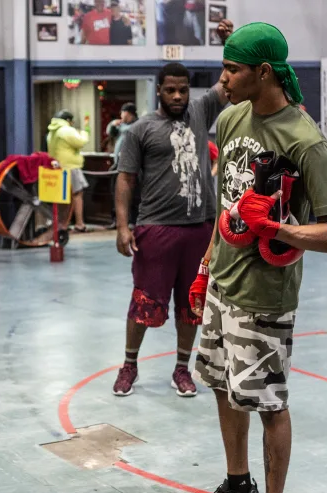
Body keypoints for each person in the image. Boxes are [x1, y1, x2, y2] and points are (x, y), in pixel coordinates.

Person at [175, 22, 327, 493]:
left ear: (263, 73)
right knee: (223, 388)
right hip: (224, 284)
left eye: (232, 70)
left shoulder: (305, 140)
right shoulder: (229, 120)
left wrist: (276, 227)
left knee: (269, 403)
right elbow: (226, 205)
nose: (222, 80)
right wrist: (205, 267)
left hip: (266, 294)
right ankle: (237, 488)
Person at [112, 22, 232, 397]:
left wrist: (228, 42)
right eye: (171, 90)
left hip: (200, 229)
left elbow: (229, 80)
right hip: (156, 228)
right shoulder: (141, 130)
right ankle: (129, 365)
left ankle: (182, 368)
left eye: (183, 89)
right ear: (159, 91)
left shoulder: (200, 112)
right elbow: (125, 180)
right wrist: (122, 227)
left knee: (191, 305)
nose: (178, 95)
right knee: (144, 301)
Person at [47, 110, 90, 232]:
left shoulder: (52, 131)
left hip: (57, 166)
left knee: (62, 197)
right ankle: (79, 224)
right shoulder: (66, 130)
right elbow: (80, 142)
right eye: (72, 121)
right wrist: (83, 133)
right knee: (77, 195)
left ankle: (61, 224)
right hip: (71, 166)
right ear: (68, 120)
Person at [111, 102, 139, 167]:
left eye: (122, 113)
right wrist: (113, 125)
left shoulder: (138, 124)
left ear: (126, 113)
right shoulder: (122, 124)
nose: (121, 115)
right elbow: (111, 133)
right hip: (119, 162)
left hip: (131, 164)